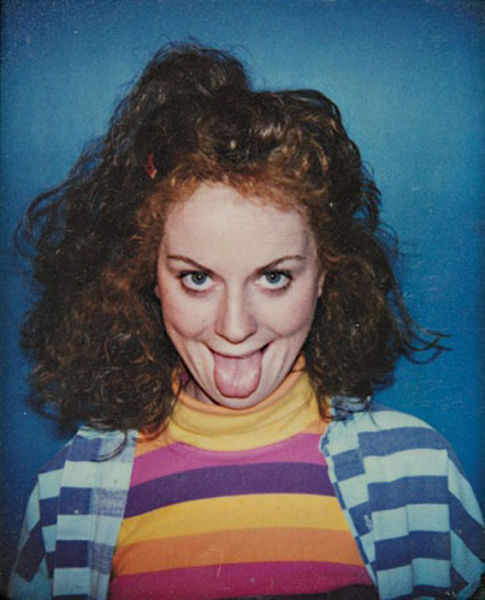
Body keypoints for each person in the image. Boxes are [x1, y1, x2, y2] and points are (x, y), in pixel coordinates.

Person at [9, 44, 484, 600]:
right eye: (196, 278)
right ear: (148, 275)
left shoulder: (420, 472)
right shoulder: (67, 495)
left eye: (274, 277)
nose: (235, 327)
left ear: (325, 275)